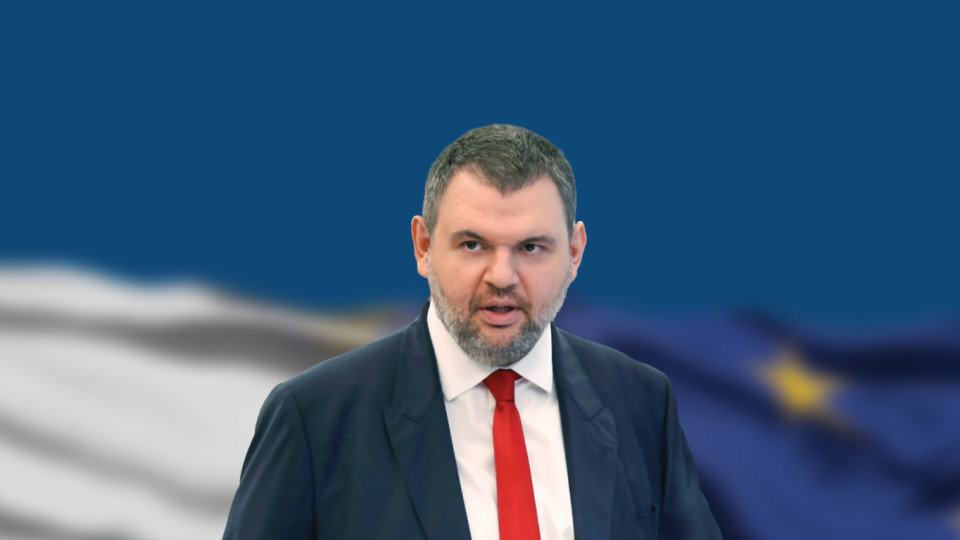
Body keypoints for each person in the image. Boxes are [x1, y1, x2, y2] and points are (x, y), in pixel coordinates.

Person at [222, 125, 722, 539]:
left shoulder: (642, 401)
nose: (502, 276)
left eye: (531, 247)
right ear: (423, 246)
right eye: (473, 245)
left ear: (574, 253)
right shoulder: (313, 418)